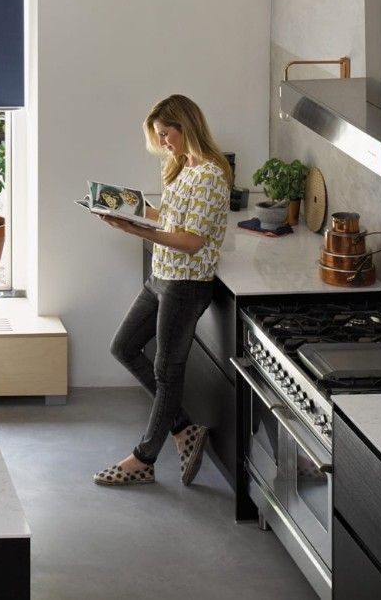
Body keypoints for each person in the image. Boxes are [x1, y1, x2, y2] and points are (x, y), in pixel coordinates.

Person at [93, 94, 232, 487]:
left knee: (167, 372)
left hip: (186, 284)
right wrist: (130, 209)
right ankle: (184, 429)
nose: (164, 142)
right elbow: (171, 218)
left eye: (166, 134)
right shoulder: (182, 166)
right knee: (123, 346)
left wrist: (135, 230)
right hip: (162, 277)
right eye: (159, 135)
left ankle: (143, 459)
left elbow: (191, 242)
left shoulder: (210, 176)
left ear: (186, 126)